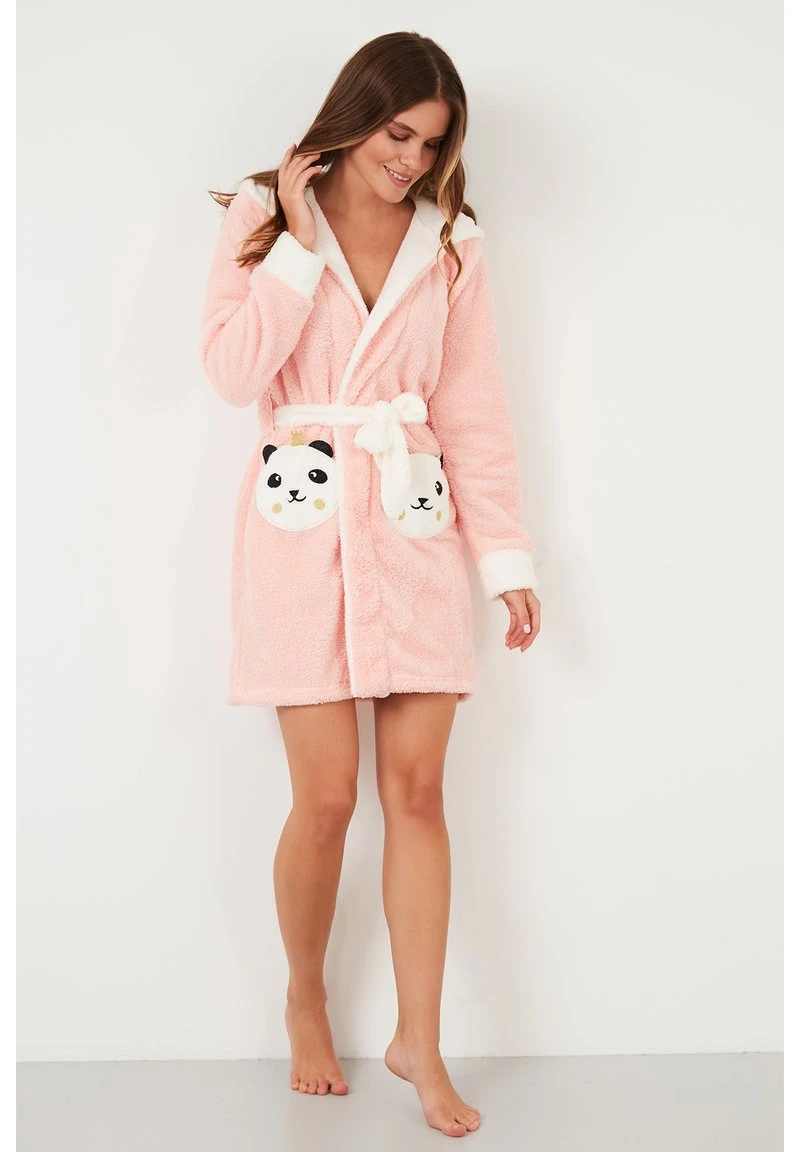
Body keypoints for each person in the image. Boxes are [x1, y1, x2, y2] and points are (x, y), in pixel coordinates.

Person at [199, 30, 541, 1139]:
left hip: (410, 523)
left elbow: (474, 412)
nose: (410, 161)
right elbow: (233, 375)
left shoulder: (451, 242)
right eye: (398, 134)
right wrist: (297, 251)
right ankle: (304, 996)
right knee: (328, 800)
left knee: (420, 793)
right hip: (299, 531)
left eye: (430, 145)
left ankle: (419, 1043)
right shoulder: (261, 216)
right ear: (354, 115)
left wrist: (504, 558)